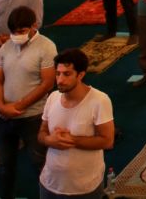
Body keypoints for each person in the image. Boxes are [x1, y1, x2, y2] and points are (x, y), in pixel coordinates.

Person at [0, 6, 56, 199]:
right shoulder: (6, 47)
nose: (16, 36)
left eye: (21, 31)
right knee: (5, 165)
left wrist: (18, 106)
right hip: (4, 117)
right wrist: (2, 107)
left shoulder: (46, 47)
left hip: (32, 117)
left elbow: (47, 83)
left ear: (33, 25)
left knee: (40, 164)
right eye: (13, 32)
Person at [38, 48, 116, 199]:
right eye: (57, 73)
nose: (60, 80)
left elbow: (108, 141)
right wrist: (49, 140)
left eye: (67, 74)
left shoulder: (99, 101)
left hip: (83, 188)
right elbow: (42, 133)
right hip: (49, 183)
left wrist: (71, 140)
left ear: (80, 75)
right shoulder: (53, 98)